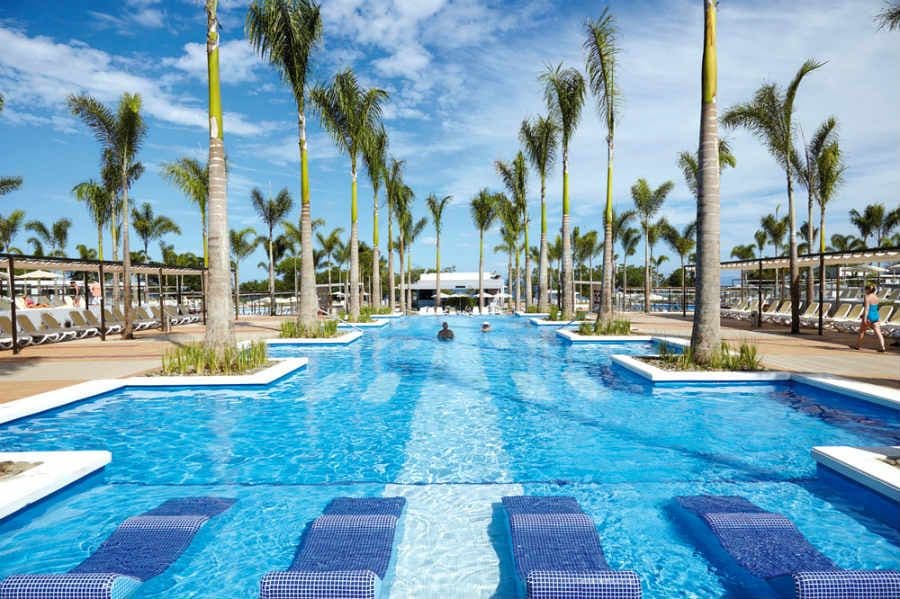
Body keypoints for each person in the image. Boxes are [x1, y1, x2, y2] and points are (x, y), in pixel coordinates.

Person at [851, 283, 886, 353]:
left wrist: (864, 318)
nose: (865, 291)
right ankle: (882, 347)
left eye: (865, 289)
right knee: (878, 333)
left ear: (868, 290)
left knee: (861, 331)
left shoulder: (867, 297)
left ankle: (857, 346)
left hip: (869, 316)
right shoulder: (876, 297)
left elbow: (867, 309)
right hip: (876, 316)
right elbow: (875, 308)